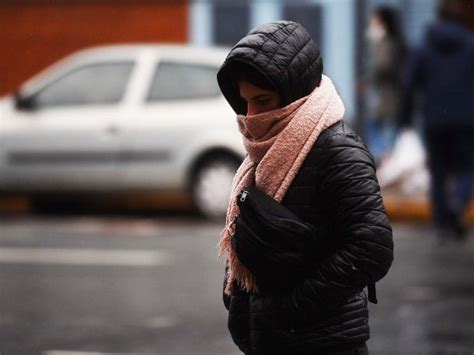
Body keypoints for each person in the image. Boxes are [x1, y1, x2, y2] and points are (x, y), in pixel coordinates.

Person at [216, 21, 394, 355]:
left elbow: (372, 249)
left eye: (263, 100)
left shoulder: (338, 150)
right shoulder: (266, 148)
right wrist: (241, 304)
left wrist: (286, 310)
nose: (251, 116)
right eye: (245, 103)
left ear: (293, 94)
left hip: (326, 344)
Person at [398, 0, 474, 242]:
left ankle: (442, 222)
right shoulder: (470, 44)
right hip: (466, 118)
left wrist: (405, 119)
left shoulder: (424, 46)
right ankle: (458, 204)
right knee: (467, 167)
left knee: (438, 171)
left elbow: (409, 85)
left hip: (434, 119)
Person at [363, 6, 406, 165]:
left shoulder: (386, 42)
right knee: (380, 129)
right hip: (385, 95)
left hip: (385, 95)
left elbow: (382, 65)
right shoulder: (393, 41)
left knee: (380, 131)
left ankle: (386, 162)